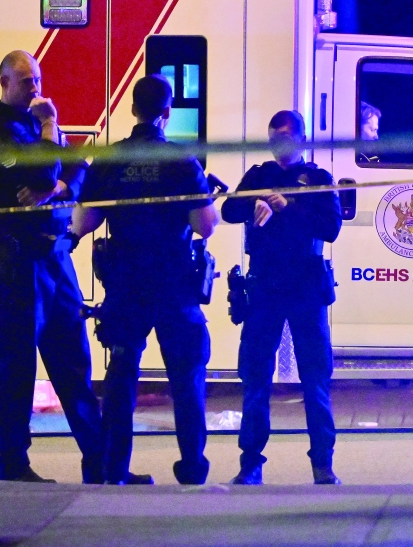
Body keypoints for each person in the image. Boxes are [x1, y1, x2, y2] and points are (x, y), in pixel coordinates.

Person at [72, 74, 220, 485]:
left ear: (133, 109)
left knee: (121, 378)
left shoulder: (110, 159)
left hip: (126, 285)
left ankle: (114, 470)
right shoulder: (182, 161)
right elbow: (205, 226)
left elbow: (84, 221)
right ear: (167, 112)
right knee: (187, 378)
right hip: (174, 286)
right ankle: (192, 468)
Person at [0, 50, 103, 484]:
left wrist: (60, 185)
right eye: (27, 81)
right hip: (20, 261)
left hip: (56, 259)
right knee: (18, 368)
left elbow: (78, 171)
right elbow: (42, 176)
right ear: (5, 83)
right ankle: (14, 466)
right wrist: (51, 138)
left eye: (38, 79)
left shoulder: (37, 126)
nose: (36, 88)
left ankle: (100, 463)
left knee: (74, 362)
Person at [221, 110, 343, 485]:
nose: (279, 145)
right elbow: (228, 209)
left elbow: (331, 228)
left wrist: (288, 206)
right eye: (273, 138)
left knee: (315, 378)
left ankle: (323, 464)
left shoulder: (318, 179)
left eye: (285, 138)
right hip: (265, 286)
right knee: (256, 377)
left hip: (306, 286)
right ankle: (250, 464)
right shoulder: (259, 175)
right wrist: (254, 202)